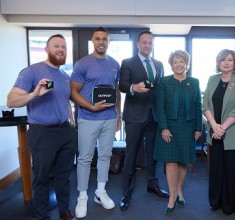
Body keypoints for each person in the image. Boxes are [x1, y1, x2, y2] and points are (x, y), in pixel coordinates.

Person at [7, 34, 77, 220]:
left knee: (64, 175)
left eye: (63, 46)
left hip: (66, 132)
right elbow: (11, 100)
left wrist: (71, 122)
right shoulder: (31, 72)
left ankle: (64, 210)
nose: (60, 49)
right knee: (42, 177)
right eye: (56, 45)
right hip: (42, 133)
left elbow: (65, 101)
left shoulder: (64, 75)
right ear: (46, 49)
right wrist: (34, 94)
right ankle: (41, 215)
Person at [70, 27, 121, 218]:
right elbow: (73, 92)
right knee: (84, 157)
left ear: (109, 42)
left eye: (105, 39)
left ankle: (100, 192)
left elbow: (116, 91)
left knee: (105, 155)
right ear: (93, 41)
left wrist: (118, 115)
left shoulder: (114, 63)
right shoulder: (82, 64)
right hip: (88, 117)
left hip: (109, 117)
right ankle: (82, 196)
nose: (101, 42)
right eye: (98, 39)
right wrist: (91, 107)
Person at [118, 30, 169, 211]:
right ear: (138, 44)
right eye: (144, 42)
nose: (147, 45)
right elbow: (122, 85)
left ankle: (152, 184)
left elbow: (160, 88)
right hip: (134, 115)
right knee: (131, 154)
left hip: (153, 115)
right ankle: (127, 191)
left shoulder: (159, 64)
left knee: (152, 153)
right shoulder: (127, 63)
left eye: (150, 43)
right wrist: (133, 87)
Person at [203, 49, 235, 215]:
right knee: (215, 170)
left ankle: (229, 205)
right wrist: (215, 126)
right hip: (214, 133)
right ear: (218, 62)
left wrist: (221, 127)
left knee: (232, 171)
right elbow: (205, 105)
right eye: (223, 59)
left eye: (230, 60)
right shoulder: (212, 79)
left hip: (234, 134)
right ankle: (215, 202)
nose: (226, 62)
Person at [154, 50, 202, 214]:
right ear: (171, 64)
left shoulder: (194, 82)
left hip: (188, 127)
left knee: (183, 160)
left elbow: (198, 106)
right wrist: (164, 128)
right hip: (169, 127)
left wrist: (198, 127)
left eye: (182, 61)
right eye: (175, 62)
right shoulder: (164, 82)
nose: (179, 64)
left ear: (186, 64)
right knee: (171, 161)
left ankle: (180, 190)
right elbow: (159, 106)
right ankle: (172, 195)